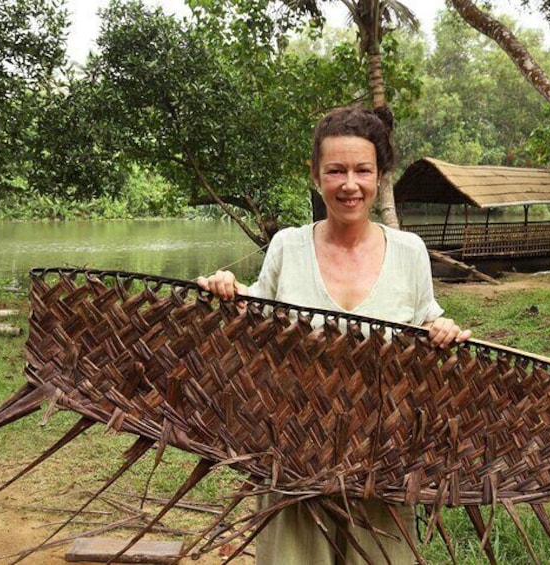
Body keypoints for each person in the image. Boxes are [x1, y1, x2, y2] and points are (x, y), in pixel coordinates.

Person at [197, 106, 470, 564]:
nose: (349, 184)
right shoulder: (287, 244)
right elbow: (257, 311)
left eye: (362, 170)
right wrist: (228, 288)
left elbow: (427, 323)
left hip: (383, 455)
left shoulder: (409, 251)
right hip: (292, 450)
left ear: (380, 175)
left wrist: (441, 329)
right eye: (336, 170)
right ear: (316, 174)